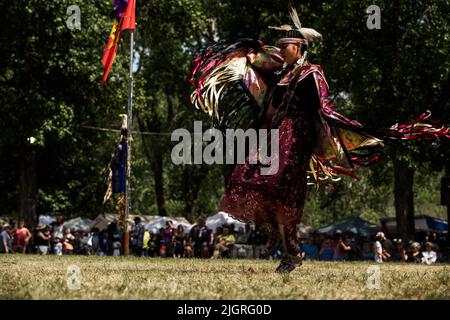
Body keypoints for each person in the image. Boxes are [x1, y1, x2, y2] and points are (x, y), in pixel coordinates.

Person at [189, 2, 450, 272]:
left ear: (299, 47)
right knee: (249, 181)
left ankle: (290, 252)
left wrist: (348, 130)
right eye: (278, 47)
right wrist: (246, 50)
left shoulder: (312, 74)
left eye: (285, 46)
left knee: (283, 193)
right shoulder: (280, 73)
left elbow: (323, 110)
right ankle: (273, 235)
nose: (280, 50)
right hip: (270, 138)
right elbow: (257, 70)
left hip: (295, 140)